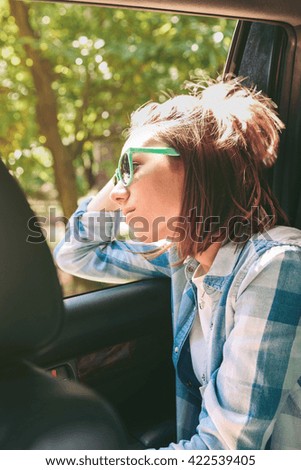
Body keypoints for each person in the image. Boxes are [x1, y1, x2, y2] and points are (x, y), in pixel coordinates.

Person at [54, 76, 301, 450]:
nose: (117, 192)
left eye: (133, 167)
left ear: (196, 164)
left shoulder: (276, 266)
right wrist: (129, 164)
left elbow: (222, 451)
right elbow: (77, 251)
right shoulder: (183, 259)